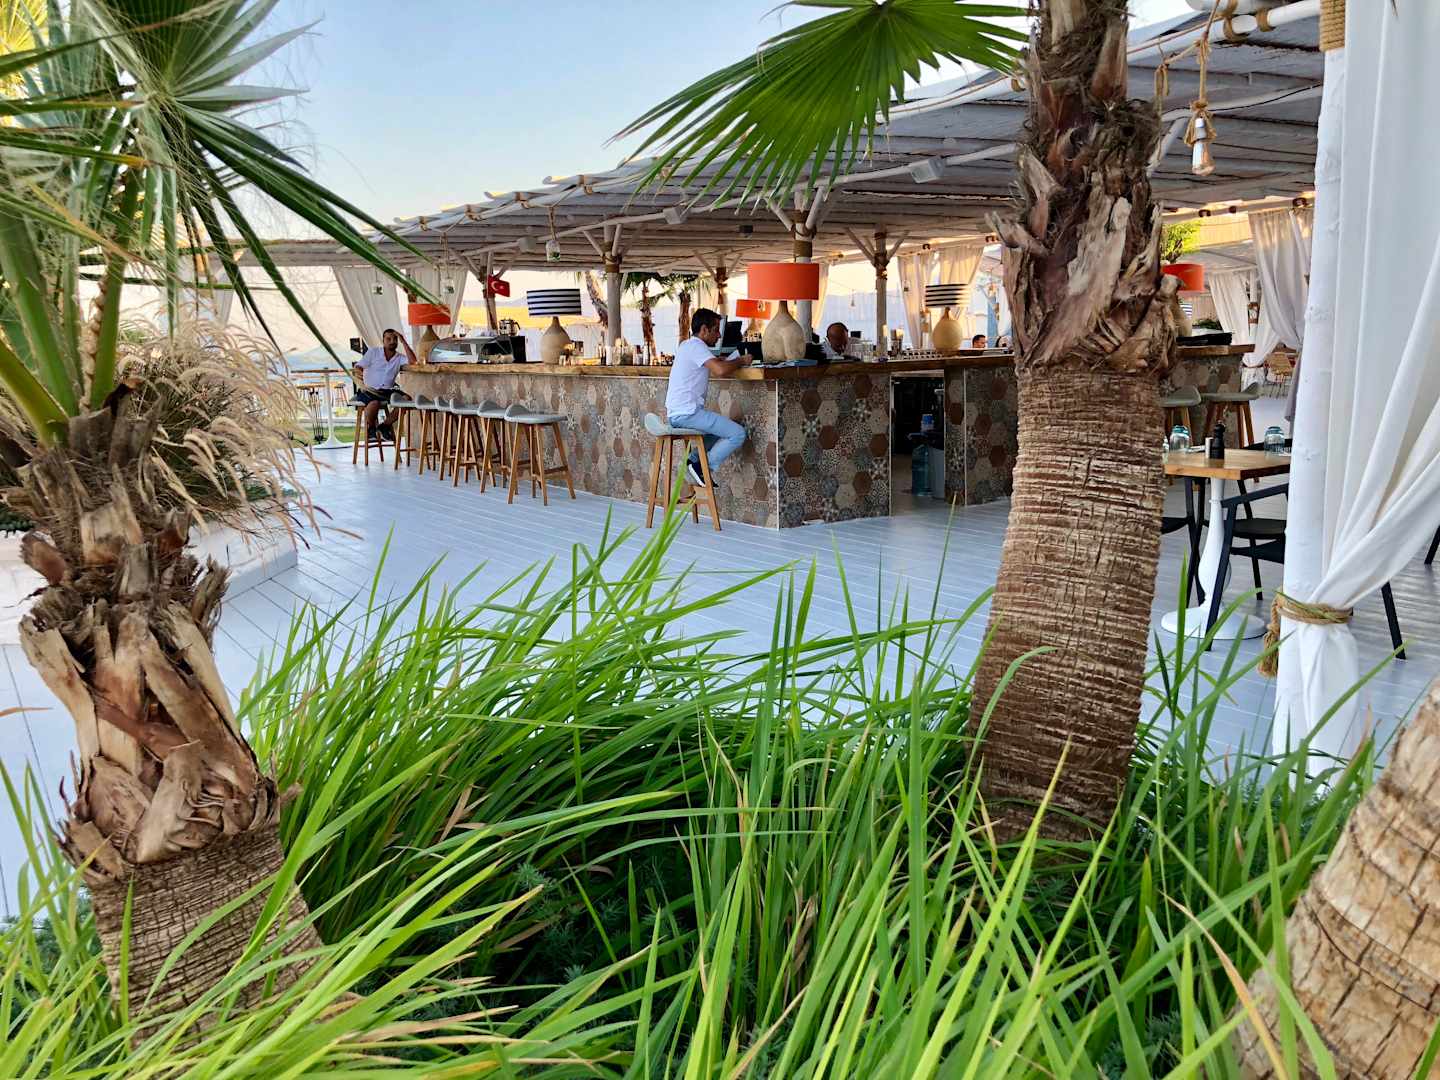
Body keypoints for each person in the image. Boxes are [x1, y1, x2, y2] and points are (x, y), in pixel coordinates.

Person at [666, 308, 751, 486]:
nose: (719, 335)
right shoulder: (697, 346)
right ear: (704, 330)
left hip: (677, 414)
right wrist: (741, 361)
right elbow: (720, 370)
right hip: (688, 414)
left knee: (718, 432)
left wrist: (724, 360)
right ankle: (702, 468)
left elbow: (715, 362)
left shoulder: (687, 345)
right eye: (716, 330)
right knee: (737, 433)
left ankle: (692, 460)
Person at [353, 328, 415, 442]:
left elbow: (413, 362)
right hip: (369, 389)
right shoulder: (374, 352)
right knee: (374, 403)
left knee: (406, 399)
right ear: (383, 340)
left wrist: (403, 341)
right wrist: (359, 373)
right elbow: (358, 366)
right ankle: (371, 428)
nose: (392, 341)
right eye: (388, 339)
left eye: (395, 339)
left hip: (387, 390)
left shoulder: (399, 357)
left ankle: (384, 426)